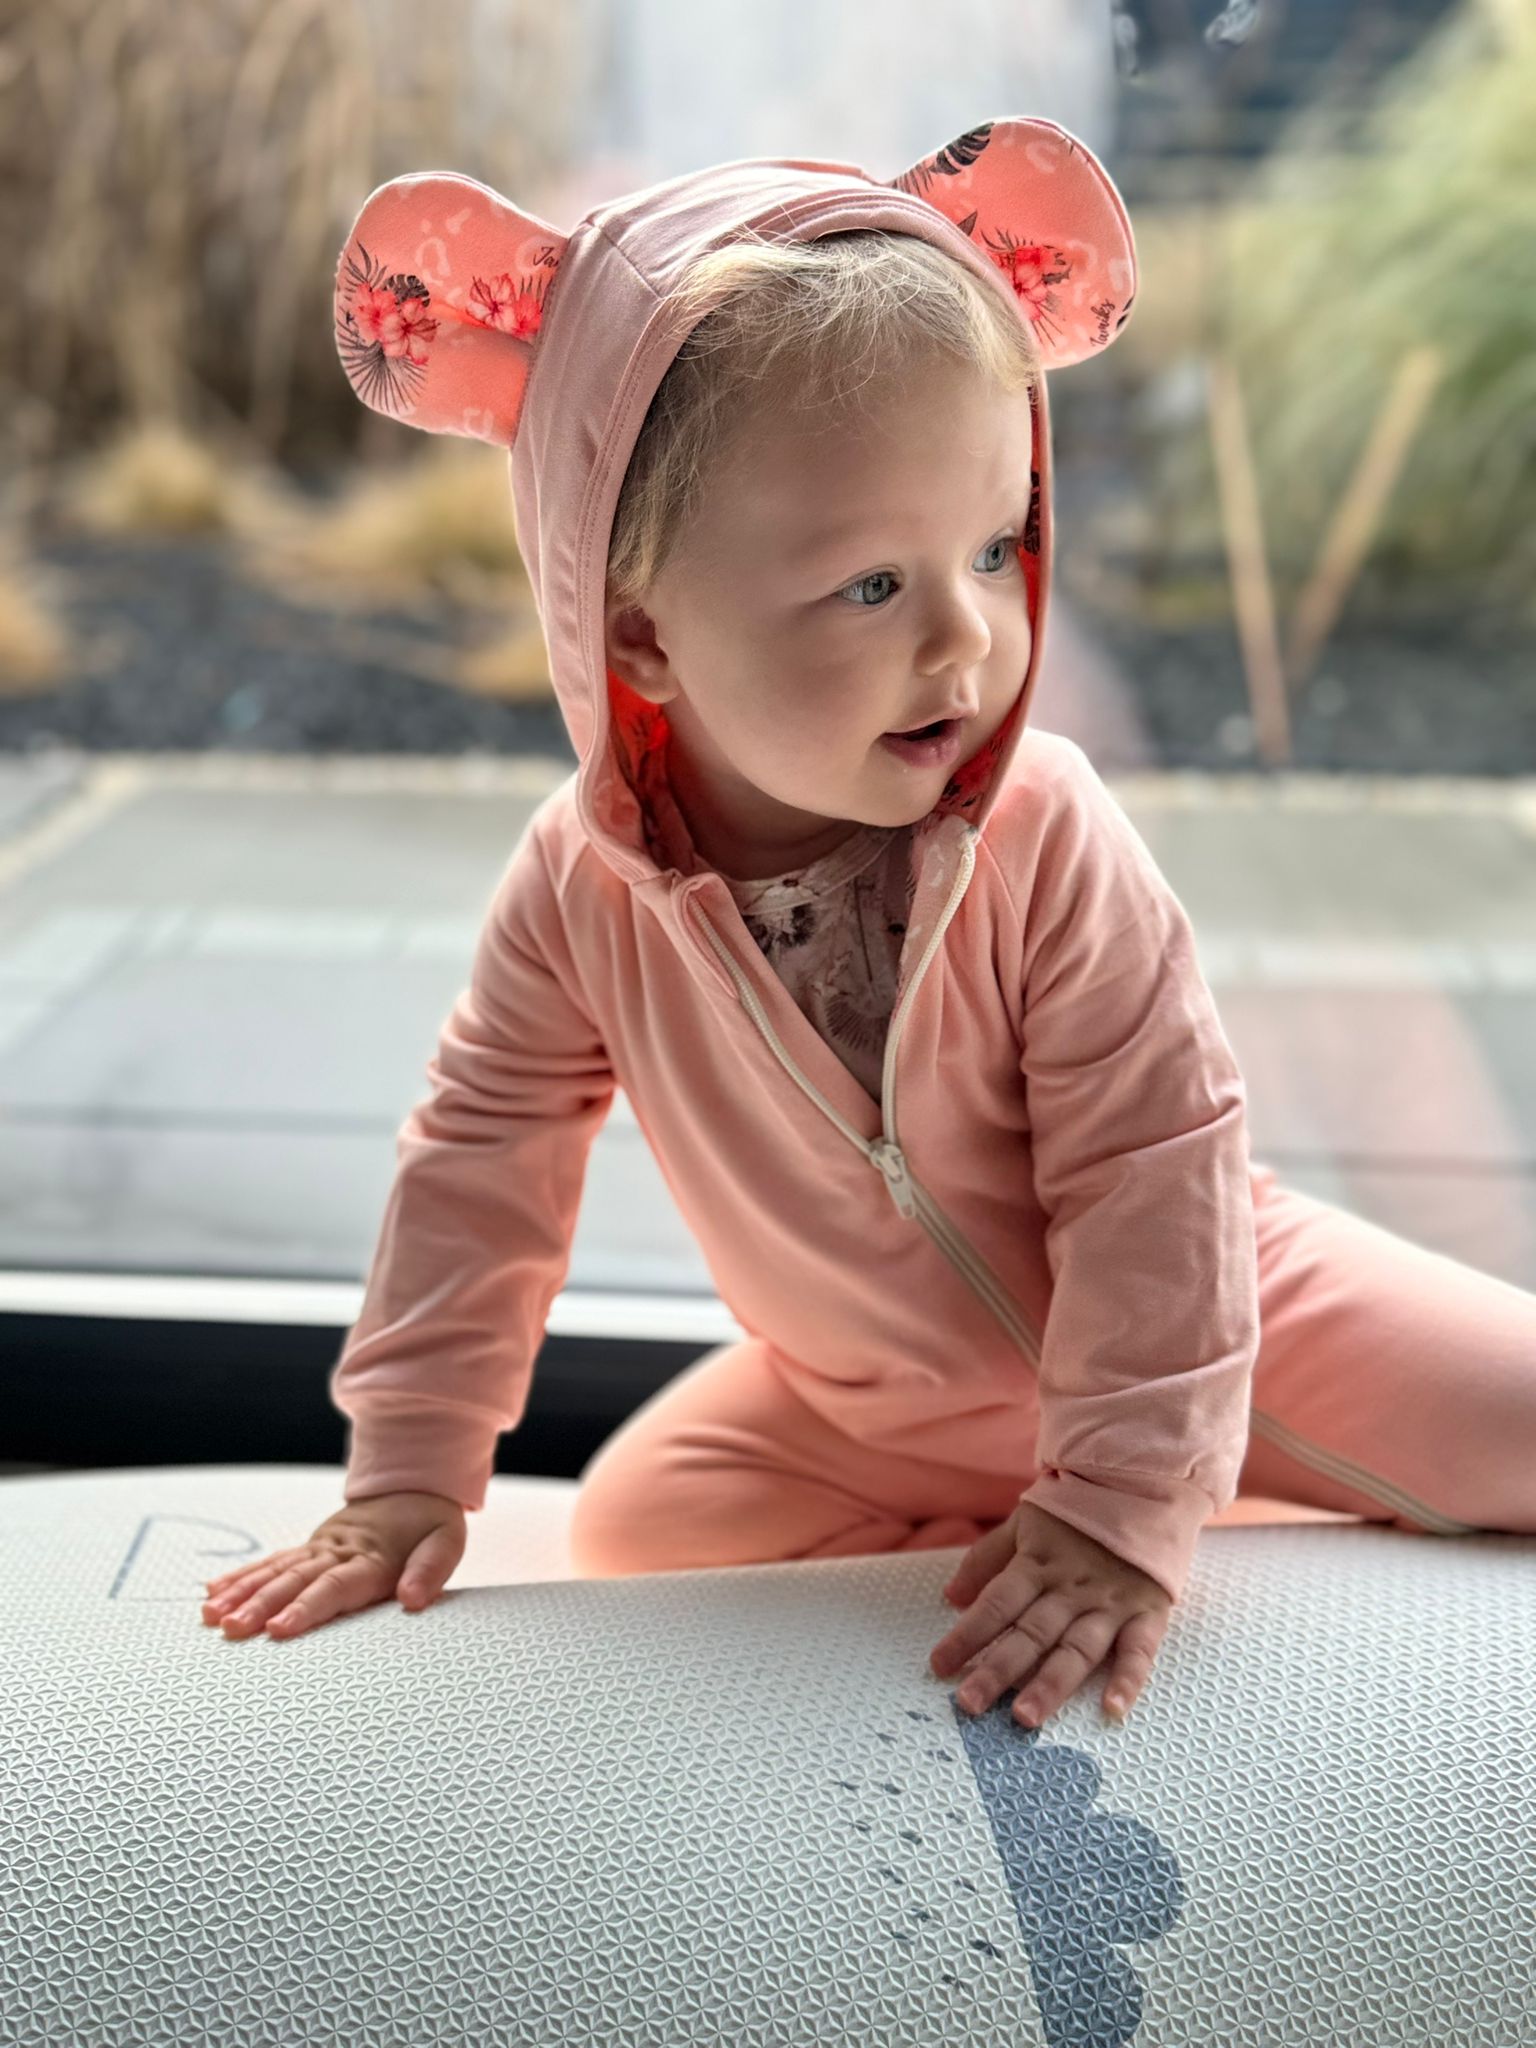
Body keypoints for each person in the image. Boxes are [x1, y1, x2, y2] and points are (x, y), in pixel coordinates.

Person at [201, 117, 1536, 1734]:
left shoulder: (1046, 834)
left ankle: (1162, 1494)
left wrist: (1123, 1494)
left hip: (1217, 1315)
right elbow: (481, 1163)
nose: (967, 639)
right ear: (641, 632)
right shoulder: (578, 889)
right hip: (864, 1400)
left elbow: (1155, 1161)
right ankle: (1068, 1525)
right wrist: (405, 1475)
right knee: (643, 1529)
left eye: (995, 547)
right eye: (872, 588)